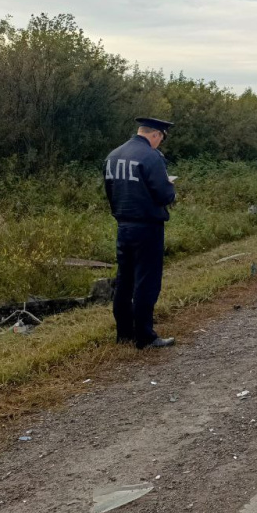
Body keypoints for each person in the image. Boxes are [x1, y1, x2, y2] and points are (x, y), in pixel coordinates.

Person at [103, 117, 177, 349]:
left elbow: (109, 191)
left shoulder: (113, 155)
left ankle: (123, 333)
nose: (159, 144)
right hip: (147, 227)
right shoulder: (151, 156)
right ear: (155, 134)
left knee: (125, 281)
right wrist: (172, 190)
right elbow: (165, 194)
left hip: (123, 226)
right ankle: (145, 337)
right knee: (147, 282)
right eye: (160, 139)